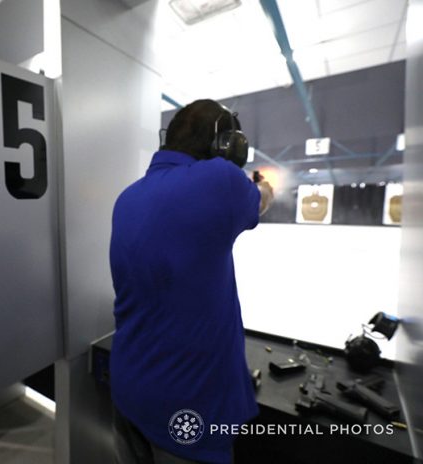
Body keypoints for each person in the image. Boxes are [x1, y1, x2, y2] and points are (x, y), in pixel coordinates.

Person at [108, 99, 273, 464]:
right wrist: (263, 185)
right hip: (187, 404)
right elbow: (260, 200)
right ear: (226, 145)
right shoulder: (221, 180)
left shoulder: (128, 196)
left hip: (128, 386)